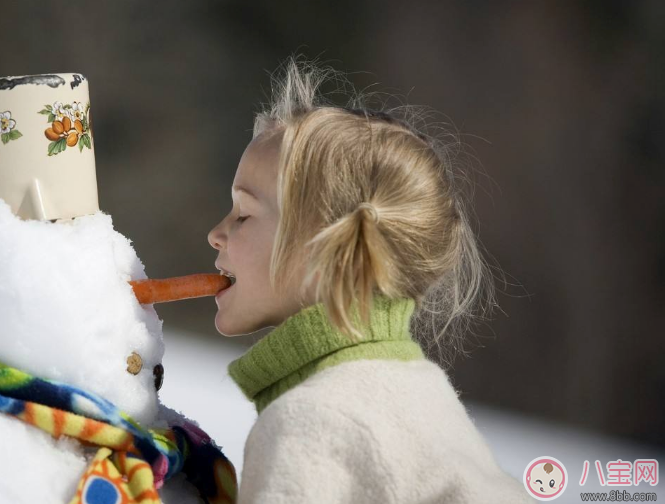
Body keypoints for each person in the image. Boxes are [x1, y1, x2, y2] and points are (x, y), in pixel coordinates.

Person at [206, 55, 531, 503]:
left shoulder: (313, 420)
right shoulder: (423, 394)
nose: (216, 234)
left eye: (243, 214)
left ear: (327, 249)